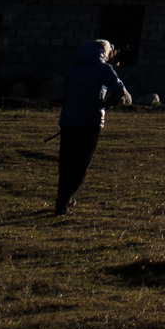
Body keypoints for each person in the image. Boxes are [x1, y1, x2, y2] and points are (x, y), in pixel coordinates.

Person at [56, 38, 133, 215]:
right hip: (90, 122)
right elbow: (119, 91)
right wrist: (105, 105)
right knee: (80, 162)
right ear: (105, 52)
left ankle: (61, 197)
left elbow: (67, 93)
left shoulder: (72, 69)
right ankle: (65, 200)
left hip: (67, 120)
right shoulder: (103, 69)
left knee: (66, 161)